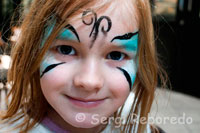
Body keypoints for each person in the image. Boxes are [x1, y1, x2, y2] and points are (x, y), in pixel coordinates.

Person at [0, 0, 166, 132]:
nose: (89, 81)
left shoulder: (139, 128)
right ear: (33, 51)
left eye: (115, 55)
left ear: (140, 63)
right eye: (66, 50)